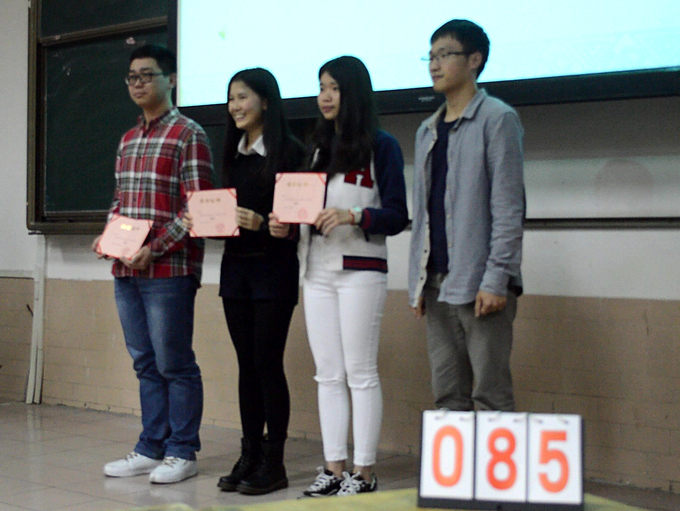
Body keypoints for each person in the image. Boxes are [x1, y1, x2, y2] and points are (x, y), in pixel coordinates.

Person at [271, 56, 408, 497]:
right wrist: (284, 224)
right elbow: (301, 208)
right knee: (327, 373)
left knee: (360, 373)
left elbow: (397, 216)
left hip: (361, 272)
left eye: (334, 88)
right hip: (316, 271)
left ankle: (364, 472)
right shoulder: (315, 148)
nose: (325, 97)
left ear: (354, 93)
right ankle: (333, 467)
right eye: (321, 88)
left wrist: (355, 215)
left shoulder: (382, 146)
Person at [92, 44, 214, 484]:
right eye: (132, 77)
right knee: (144, 362)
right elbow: (120, 201)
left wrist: (156, 247)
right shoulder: (128, 139)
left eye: (147, 75)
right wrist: (107, 235)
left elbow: (198, 207)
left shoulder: (189, 134)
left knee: (174, 363)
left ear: (171, 79)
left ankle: (182, 451)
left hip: (169, 270)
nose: (138, 83)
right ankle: (150, 447)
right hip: (126, 269)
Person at [184, 68, 304, 495]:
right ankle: (249, 454)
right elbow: (231, 218)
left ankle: (274, 461)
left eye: (243, 97)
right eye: (231, 98)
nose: (235, 106)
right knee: (246, 366)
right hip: (236, 271)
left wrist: (263, 223)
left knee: (267, 363)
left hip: (274, 270)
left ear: (266, 101)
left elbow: (297, 224)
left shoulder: (291, 151)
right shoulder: (232, 153)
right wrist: (206, 221)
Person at [408, 20, 525, 413]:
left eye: (445, 55)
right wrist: (418, 281)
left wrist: (496, 279)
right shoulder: (427, 130)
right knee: (447, 396)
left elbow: (508, 208)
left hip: (481, 283)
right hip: (436, 283)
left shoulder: (498, 119)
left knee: (490, 396)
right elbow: (424, 214)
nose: (434, 65)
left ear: (474, 59)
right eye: (430, 56)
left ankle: (495, 461)